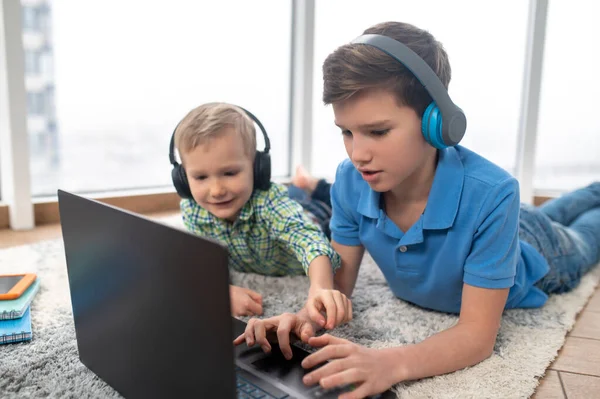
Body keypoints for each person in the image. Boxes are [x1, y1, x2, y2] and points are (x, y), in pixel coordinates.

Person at [235, 21, 600, 399]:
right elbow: (337, 287)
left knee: (587, 233)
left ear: (436, 123)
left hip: (540, 248)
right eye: (347, 132)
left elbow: (477, 337)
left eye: (377, 132)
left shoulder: (495, 193)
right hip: (505, 221)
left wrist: (390, 363)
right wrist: (304, 316)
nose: (358, 153)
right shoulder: (349, 179)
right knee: (561, 208)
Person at [173, 102, 352, 331]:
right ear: (182, 178)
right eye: (200, 177)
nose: (216, 190)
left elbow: (310, 242)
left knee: (332, 202)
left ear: (257, 168)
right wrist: (221, 291)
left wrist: (321, 287)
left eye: (229, 173)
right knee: (295, 193)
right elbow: (200, 260)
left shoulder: (269, 203)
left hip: (314, 218)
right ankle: (301, 185)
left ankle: (312, 185)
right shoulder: (193, 209)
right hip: (284, 211)